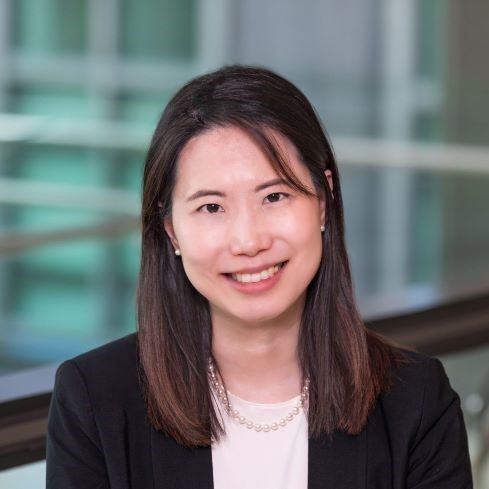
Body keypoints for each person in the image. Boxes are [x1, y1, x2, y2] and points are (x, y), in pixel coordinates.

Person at [46, 65, 473, 489]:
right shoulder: (95, 399)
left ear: (323, 201)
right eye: (212, 207)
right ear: (171, 229)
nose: (249, 242)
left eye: (274, 196)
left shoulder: (416, 401)